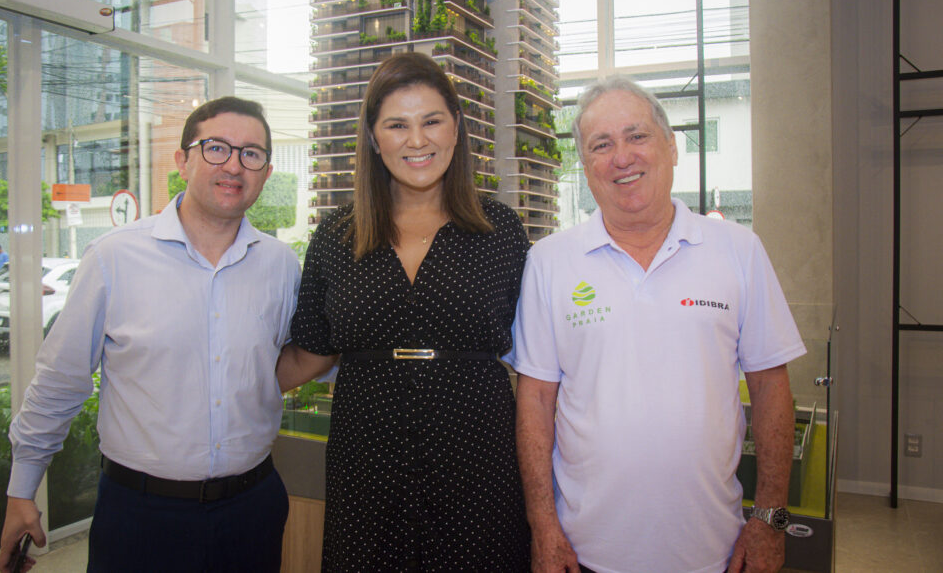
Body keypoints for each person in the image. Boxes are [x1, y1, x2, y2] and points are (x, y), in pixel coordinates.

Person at [507, 77, 806, 573]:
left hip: (713, 552)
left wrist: (769, 520)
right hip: (583, 555)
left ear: (671, 146)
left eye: (637, 136)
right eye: (601, 145)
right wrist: (543, 525)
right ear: (586, 167)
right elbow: (535, 401)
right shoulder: (548, 262)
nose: (621, 157)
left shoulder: (738, 251)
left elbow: (772, 388)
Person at [0, 96, 300, 573]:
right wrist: (22, 489)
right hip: (140, 515)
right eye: (216, 148)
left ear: (265, 171)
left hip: (252, 508)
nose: (234, 165)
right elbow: (61, 379)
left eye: (251, 154)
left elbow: (285, 363)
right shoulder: (113, 257)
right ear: (183, 161)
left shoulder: (281, 266)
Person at [277, 52, 531, 571]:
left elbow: (538, 365)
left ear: (456, 128)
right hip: (367, 466)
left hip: (478, 464)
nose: (418, 140)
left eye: (432, 120)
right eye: (397, 124)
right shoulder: (335, 235)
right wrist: (213, 386)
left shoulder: (501, 230)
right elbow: (307, 354)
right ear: (373, 138)